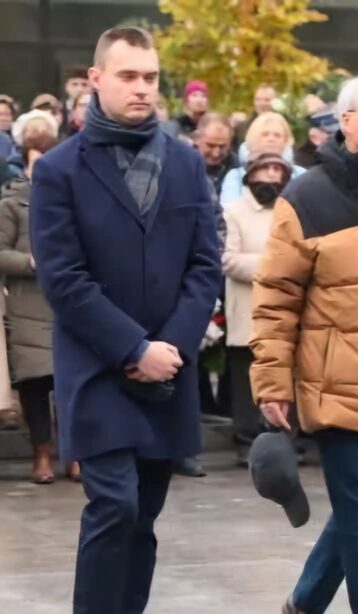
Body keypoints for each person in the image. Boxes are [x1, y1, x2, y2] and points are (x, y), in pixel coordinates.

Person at [29, 27, 220, 613]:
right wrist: (133, 349)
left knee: (144, 516)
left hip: (169, 370)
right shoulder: (58, 170)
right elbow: (63, 278)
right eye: (128, 76)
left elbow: (204, 264)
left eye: (150, 77)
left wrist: (173, 346)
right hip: (97, 367)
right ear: (95, 79)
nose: (142, 88)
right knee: (115, 504)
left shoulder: (186, 163)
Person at [249, 71, 358, 614]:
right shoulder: (307, 197)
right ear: (345, 121)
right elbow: (276, 298)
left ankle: (304, 602)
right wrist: (272, 381)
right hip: (335, 389)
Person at [0, 130, 76, 483]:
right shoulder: (11, 203)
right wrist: (30, 261)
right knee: (34, 384)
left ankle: (75, 454)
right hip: (27, 305)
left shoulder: (73, 198)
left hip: (68, 302)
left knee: (70, 384)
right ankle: (42, 454)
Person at [222, 152, 292, 466]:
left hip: (285, 308)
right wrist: (275, 265)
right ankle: (245, 440)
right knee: (244, 377)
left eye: (278, 170)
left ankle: (286, 437)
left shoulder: (290, 211)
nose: (272, 176)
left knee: (285, 373)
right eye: (265, 170)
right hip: (247, 309)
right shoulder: (233, 212)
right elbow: (228, 259)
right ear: (250, 176)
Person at [220, 112, 305, 205]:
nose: (271, 139)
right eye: (265, 134)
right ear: (253, 139)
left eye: (277, 135)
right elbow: (228, 209)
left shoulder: (300, 175)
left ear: (286, 141)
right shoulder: (235, 176)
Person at [194, 112, 238, 196]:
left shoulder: (237, 168)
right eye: (210, 146)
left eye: (222, 146)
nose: (216, 154)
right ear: (197, 139)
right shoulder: (181, 164)